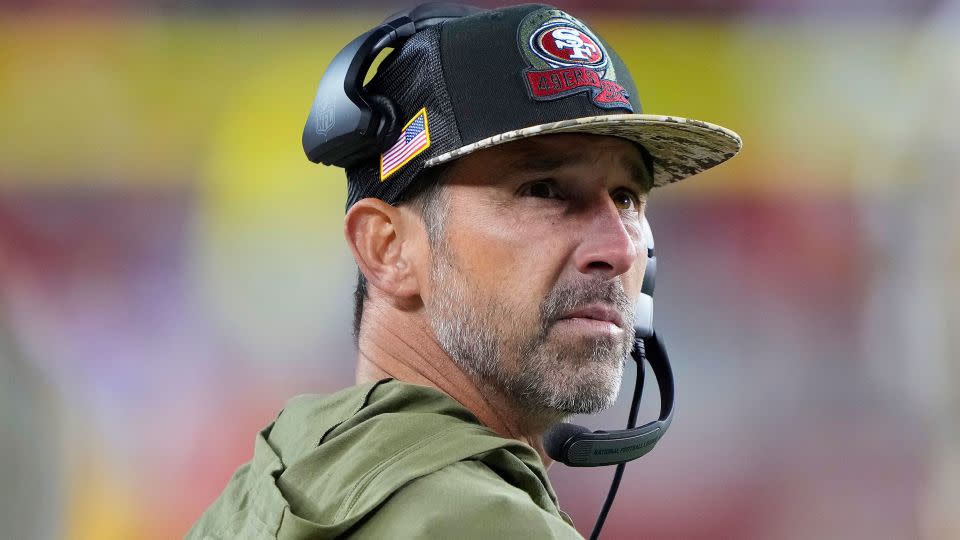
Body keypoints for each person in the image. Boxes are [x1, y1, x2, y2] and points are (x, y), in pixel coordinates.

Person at [188, 3, 740, 539]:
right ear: (387, 249)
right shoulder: (490, 525)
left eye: (626, 198)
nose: (618, 249)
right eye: (543, 190)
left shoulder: (261, 489)